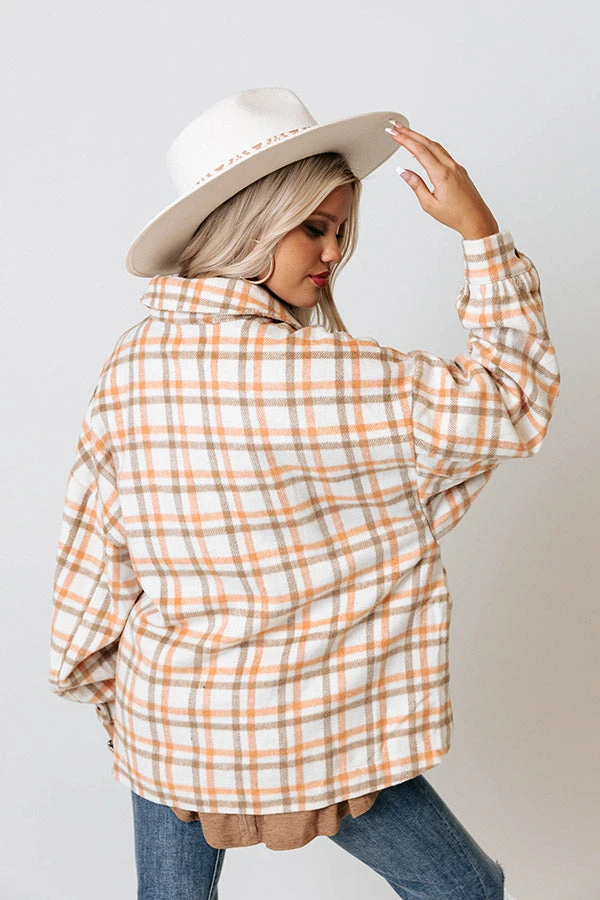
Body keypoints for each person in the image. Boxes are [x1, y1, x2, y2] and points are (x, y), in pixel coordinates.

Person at [49, 87, 560, 899]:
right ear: (252, 224)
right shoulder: (331, 376)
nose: (333, 254)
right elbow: (511, 400)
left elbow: (98, 560)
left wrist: (124, 716)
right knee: (467, 892)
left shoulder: (133, 363)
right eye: (314, 228)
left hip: (171, 712)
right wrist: (479, 232)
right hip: (321, 722)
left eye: (340, 231)